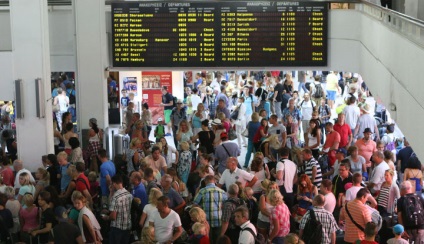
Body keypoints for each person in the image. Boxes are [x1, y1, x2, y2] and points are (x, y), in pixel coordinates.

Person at [193, 175, 227, 244]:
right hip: (218, 219)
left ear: (205, 181)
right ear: (214, 181)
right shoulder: (222, 191)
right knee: (217, 240)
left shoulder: (202, 191)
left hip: (206, 221)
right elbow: (226, 204)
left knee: (208, 240)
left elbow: (195, 204)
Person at [103, 175, 133, 244]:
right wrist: (111, 192)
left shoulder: (116, 197)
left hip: (117, 228)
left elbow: (113, 216)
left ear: (114, 183)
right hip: (127, 227)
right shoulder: (129, 194)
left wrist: (107, 217)